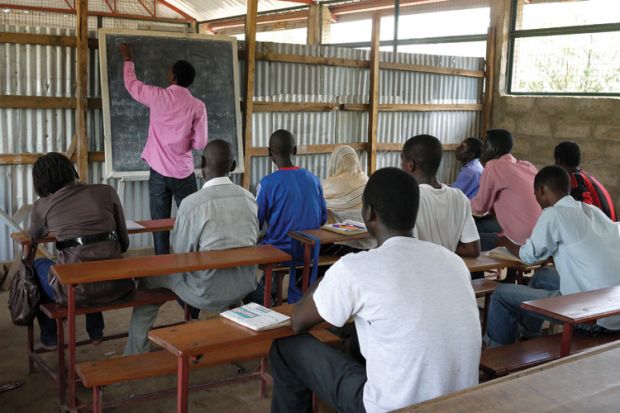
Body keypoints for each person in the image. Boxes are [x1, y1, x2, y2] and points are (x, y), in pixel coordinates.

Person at [269, 168, 481, 413]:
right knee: (359, 331)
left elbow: (298, 321)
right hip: (461, 403)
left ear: (368, 212)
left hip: (392, 408)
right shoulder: (452, 261)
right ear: (414, 214)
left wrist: (330, 276)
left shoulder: (356, 267)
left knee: (286, 348)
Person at [124, 140, 259, 355]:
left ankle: (134, 352)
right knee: (215, 270)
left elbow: (180, 256)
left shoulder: (192, 204)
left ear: (202, 163)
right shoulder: (249, 199)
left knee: (148, 282)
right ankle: (220, 314)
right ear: (233, 167)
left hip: (204, 291)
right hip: (242, 284)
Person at [485, 166, 620, 347]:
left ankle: (496, 354)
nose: (537, 201)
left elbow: (528, 257)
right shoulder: (592, 211)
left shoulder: (553, 213)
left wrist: (505, 241)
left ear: (541, 190)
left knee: (501, 294)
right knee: (541, 277)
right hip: (612, 308)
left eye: (535, 195)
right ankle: (529, 334)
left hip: (588, 315)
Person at [28, 153, 134, 350]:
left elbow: (34, 235)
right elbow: (124, 244)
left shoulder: (42, 205)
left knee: (36, 267)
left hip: (76, 292)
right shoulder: (106, 191)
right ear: (70, 170)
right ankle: (96, 332)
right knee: (90, 263)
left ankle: (50, 337)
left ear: (40, 181)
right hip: (119, 285)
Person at [118, 43, 208, 255]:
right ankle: (193, 261)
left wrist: (128, 60)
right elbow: (200, 143)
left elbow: (132, 85)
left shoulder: (157, 96)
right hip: (184, 173)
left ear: (173, 77)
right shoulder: (197, 105)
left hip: (158, 172)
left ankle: (162, 267)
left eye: (170, 70)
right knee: (192, 221)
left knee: (159, 224)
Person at [247, 129, 327, 304]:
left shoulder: (267, 183)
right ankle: (280, 289)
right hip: (309, 250)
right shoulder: (313, 180)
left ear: (269, 153)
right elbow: (322, 218)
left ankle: (268, 292)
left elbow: (255, 223)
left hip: (280, 250)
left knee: (254, 250)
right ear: (295, 150)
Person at [401, 134, 480, 257]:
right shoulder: (459, 197)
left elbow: (402, 249)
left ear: (410, 165)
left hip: (419, 272)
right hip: (449, 272)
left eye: (402, 160)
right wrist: (445, 245)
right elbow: (472, 249)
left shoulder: (406, 198)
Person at [471, 129, 541, 251]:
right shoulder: (528, 166)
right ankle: (510, 269)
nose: (481, 149)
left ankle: (478, 270)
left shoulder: (494, 166)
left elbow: (479, 208)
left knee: (467, 239)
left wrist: (458, 202)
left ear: (495, 150)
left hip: (520, 241)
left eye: (485, 145)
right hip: (540, 236)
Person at [322, 145, 375, 251]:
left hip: (343, 245)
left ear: (334, 163)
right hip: (372, 243)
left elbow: (320, 209)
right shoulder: (367, 181)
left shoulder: (328, 185)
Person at [554, 141, 616, 221]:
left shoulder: (575, 178)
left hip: (603, 229)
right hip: (611, 226)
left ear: (559, 162)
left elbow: (585, 210)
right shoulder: (586, 176)